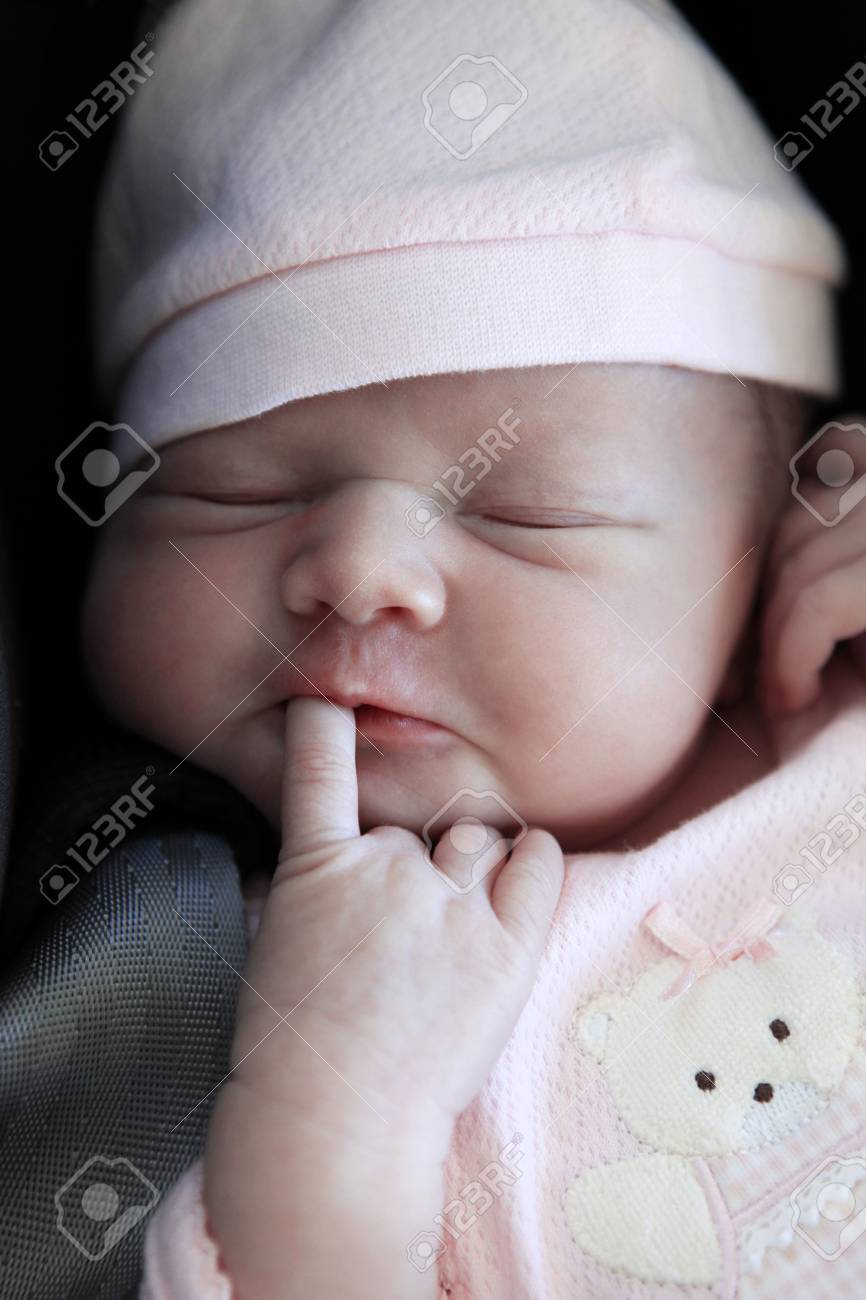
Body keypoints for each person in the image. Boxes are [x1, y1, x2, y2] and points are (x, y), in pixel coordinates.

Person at [82, 0, 866, 1294]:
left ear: (760, 558)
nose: (357, 569)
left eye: (527, 510)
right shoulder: (203, 990)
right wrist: (333, 1110)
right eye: (235, 486)